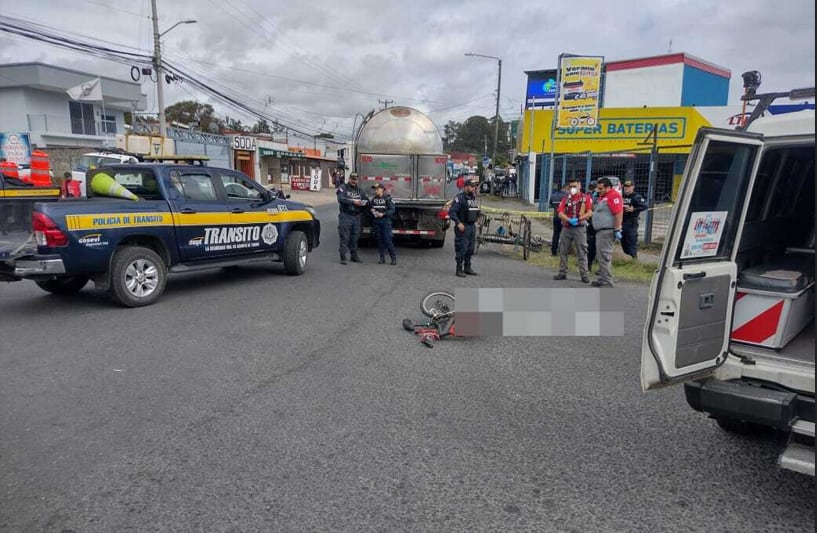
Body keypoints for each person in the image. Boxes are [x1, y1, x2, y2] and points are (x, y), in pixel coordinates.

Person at [553, 178, 593, 283]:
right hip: (567, 227)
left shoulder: (586, 198)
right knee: (563, 250)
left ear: (579, 186)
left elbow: (589, 213)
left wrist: (579, 219)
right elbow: (560, 213)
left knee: (582, 251)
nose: (572, 189)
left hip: (579, 227)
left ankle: (584, 274)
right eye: (570, 187)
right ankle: (562, 272)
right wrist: (569, 220)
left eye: (574, 186)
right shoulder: (566, 199)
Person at [591, 177, 624, 287]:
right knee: (600, 256)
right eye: (598, 188)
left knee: (605, 255)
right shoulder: (603, 197)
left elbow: (618, 213)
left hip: (607, 230)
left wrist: (617, 228)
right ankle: (602, 278)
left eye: (601, 189)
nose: (598, 190)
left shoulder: (613, 196)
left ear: (608, 187)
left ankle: (607, 281)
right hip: (601, 231)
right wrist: (595, 198)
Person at [448, 178, 480, 277]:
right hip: (463, 226)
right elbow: (452, 212)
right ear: (466, 187)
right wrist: (458, 223)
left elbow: (473, 210)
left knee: (470, 248)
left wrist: (477, 217)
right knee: (462, 248)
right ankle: (459, 269)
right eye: (472, 186)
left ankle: (467, 267)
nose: (474, 188)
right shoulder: (460, 198)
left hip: (471, 226)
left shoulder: (472, 198)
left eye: (475, 187)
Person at [336, 172, 368, 265]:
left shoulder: (359, 190)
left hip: (356, 216)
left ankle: (354, 256)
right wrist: (353, 202)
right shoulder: (343, 187)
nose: (354, 181)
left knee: (355, 236)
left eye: (355, 179)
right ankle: (343, 256)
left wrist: (364, 203)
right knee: (344, 237)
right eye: (352, 179)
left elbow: (366, 199)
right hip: (346, 215)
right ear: (349, 179)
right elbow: (341, 199)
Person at [369, 183, 397, 265]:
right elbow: (371, 207)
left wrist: (383, 214)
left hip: (385, 222)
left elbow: (392, 210)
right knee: (380, 240)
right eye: (375, 189)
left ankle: (393, 258)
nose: (376, 190)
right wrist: (372, 211)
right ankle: (382, 258)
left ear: (382, 189)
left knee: (388, 240)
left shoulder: (387, 198)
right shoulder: (373, 199)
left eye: (377, 189)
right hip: (377, 222)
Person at [621, 180, 648, 259]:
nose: (626, 188)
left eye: (628, 187)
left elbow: (645, 206)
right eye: (625, 186)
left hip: (631, 221)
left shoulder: (636, 196)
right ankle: (627, 256)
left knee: (631, 239)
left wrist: (634, 209)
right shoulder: (621, 196)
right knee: (623, 240)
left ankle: (634, 258)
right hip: (622, 221)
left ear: (632, 187)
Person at [549, 184, 568, 256]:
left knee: (555, 234)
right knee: (564, 235)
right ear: (565, 188)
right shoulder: (566, 196)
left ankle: (553, 251)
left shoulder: (553, 195)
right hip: (564, 217)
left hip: (556, 217)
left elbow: (550, 205)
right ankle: (563, 251)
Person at [586, 180, 599, 270]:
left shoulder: (602, 197)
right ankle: (589, 263)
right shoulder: (589, 196)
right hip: (590, 222)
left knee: (594, 244)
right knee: (591, 243)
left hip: (598, 223)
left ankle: (591, 262)